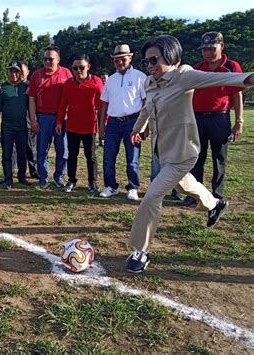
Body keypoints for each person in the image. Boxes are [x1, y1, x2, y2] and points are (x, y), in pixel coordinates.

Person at [127, 35, 253, 273]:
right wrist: (138, 129)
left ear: (171, 56)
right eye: (146, 62)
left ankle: (140, 251)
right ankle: (215, 203)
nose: (150, 65)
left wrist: (247, 78)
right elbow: (147, 108)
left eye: (154, 59)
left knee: (152, 196)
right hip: (162, 151)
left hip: (183, 152)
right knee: (184, 185)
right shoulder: (150, 83)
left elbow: (221, 78)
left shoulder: (183, 76)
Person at [181, 31, 245, 206]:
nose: (207, 53)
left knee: (219, 158)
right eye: (204, 49)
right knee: (196, 157)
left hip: (220, 118)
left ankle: (217, 194)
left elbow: (237, 95)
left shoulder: (231, 67)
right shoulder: (197, 68)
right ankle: (195, 195)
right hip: (197, 118)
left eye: (211, 48)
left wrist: (239, 121)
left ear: (221, 46)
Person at [99, 44, 147, 201]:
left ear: (130, 58)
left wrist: (144, 126)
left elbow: (146, 102)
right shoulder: (111, 80)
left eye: (123, 59)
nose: (120, 63)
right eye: (116, 60)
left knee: (132, 158)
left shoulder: (140, 77)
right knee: (108, 156)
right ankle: (110, 186)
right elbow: (104, 103)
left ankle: (133, 187)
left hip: (133, 121)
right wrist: (101, 125)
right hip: (113, 122)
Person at [56, 54, 104, 193]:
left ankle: (92, 182)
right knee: (72, 155)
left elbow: (102, 105)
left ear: (88, 67)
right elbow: (63, 104)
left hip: (90, 126)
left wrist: (103, 124)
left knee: (91, 156)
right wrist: (59, 122)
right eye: (75, 68)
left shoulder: (96, 82)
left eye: (81, 67)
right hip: (72, 126)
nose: (78, 70)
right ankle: (71, 180)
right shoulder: (69, 83)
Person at [28, 46, 72, 188]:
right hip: (43, 117)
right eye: (45, 59)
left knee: (63, 150)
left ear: (58, 59)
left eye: (51, 59)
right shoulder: (36, 75)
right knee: (41, 150)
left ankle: (59, 176)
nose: (47, 61)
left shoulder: (67, 73)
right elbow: (31, 99)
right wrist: (33, 120)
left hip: (62, 118)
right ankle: (43, 177)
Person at [0, 61, 32, 190]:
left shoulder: (26, 87)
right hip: (7, 127)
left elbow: (31, 105)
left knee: (22, 154)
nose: (13, 74)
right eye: (11, 71)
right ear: (8, 72)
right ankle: (8, 179)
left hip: (22, 127)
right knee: (7, 155)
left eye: (16, 71)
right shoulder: (2, 88)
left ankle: (22, 177)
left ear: (20, 73)